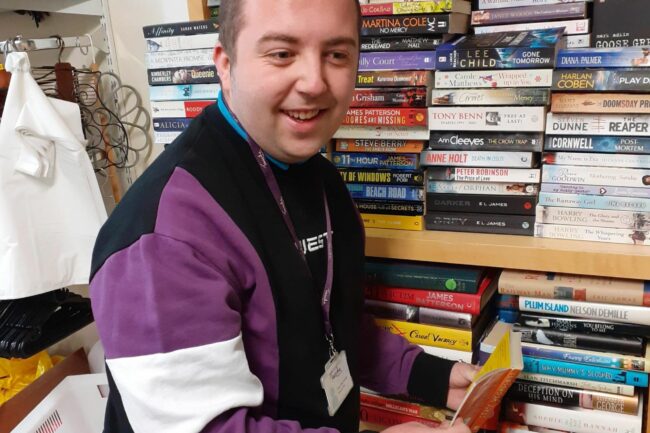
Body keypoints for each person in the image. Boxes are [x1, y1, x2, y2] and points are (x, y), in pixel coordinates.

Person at [90, 1, 478, 432]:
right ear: (225, 63)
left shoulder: (321, 177)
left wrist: (431, 377)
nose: (314, 82)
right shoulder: (162, 236)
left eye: (337, 54)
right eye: (281, 53)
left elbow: (329, 324)